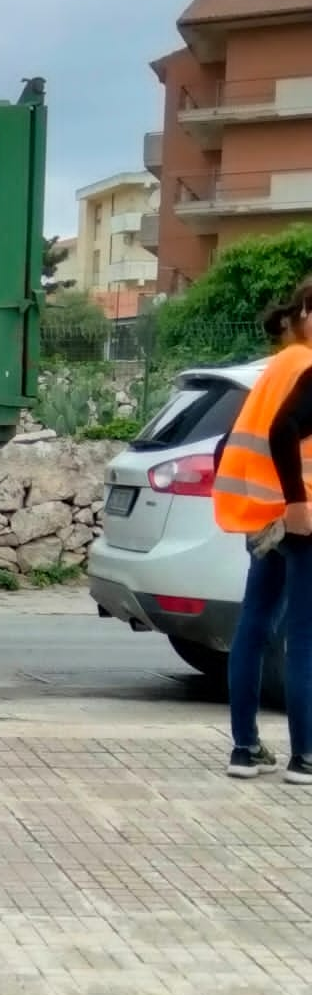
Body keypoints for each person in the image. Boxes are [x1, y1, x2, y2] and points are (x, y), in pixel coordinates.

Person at [213, 270, 312, 780]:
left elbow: (232, 439)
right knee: (304, 636)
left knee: (254, 625)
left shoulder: (278, 366)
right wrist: (295, 499)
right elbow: (284, 431)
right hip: (301, 515)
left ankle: (245, 748)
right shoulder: (308, 366)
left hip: (264, 515)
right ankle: (305, 757)